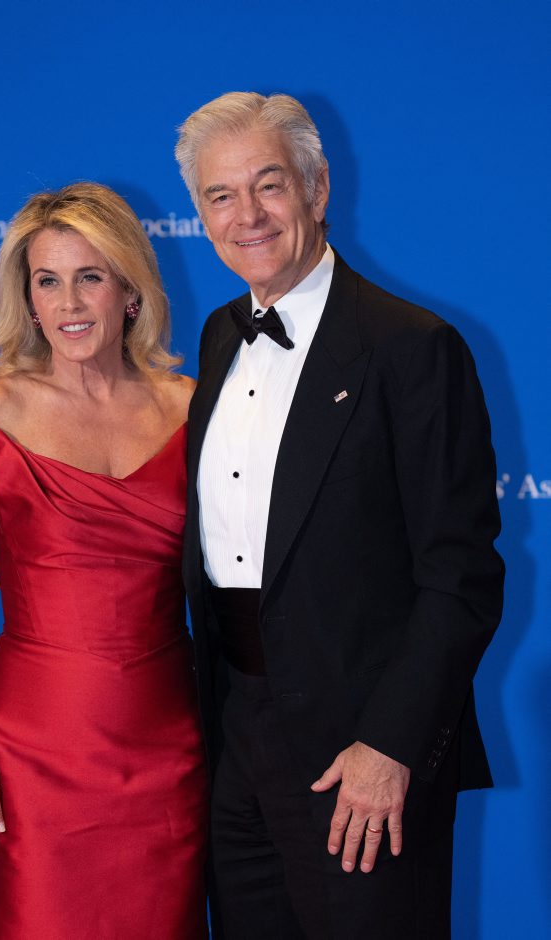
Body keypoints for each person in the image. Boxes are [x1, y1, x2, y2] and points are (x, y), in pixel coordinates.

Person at [176, 92, 504, 939]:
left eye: (269, 184)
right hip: (235, 740)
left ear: (317, 190)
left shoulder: (412, 346)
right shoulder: (216, 339)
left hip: (361, 756)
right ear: (201, 216)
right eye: (220, 195)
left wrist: (391, 746)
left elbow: (461, 577)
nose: (247, 215)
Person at [0, 182, 209, 939]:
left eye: (90, 276)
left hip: (169, 743)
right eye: (47, 281)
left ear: (131, 290)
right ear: (27, 298)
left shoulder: (190, 406)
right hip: (34, 750)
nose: (69, 302)